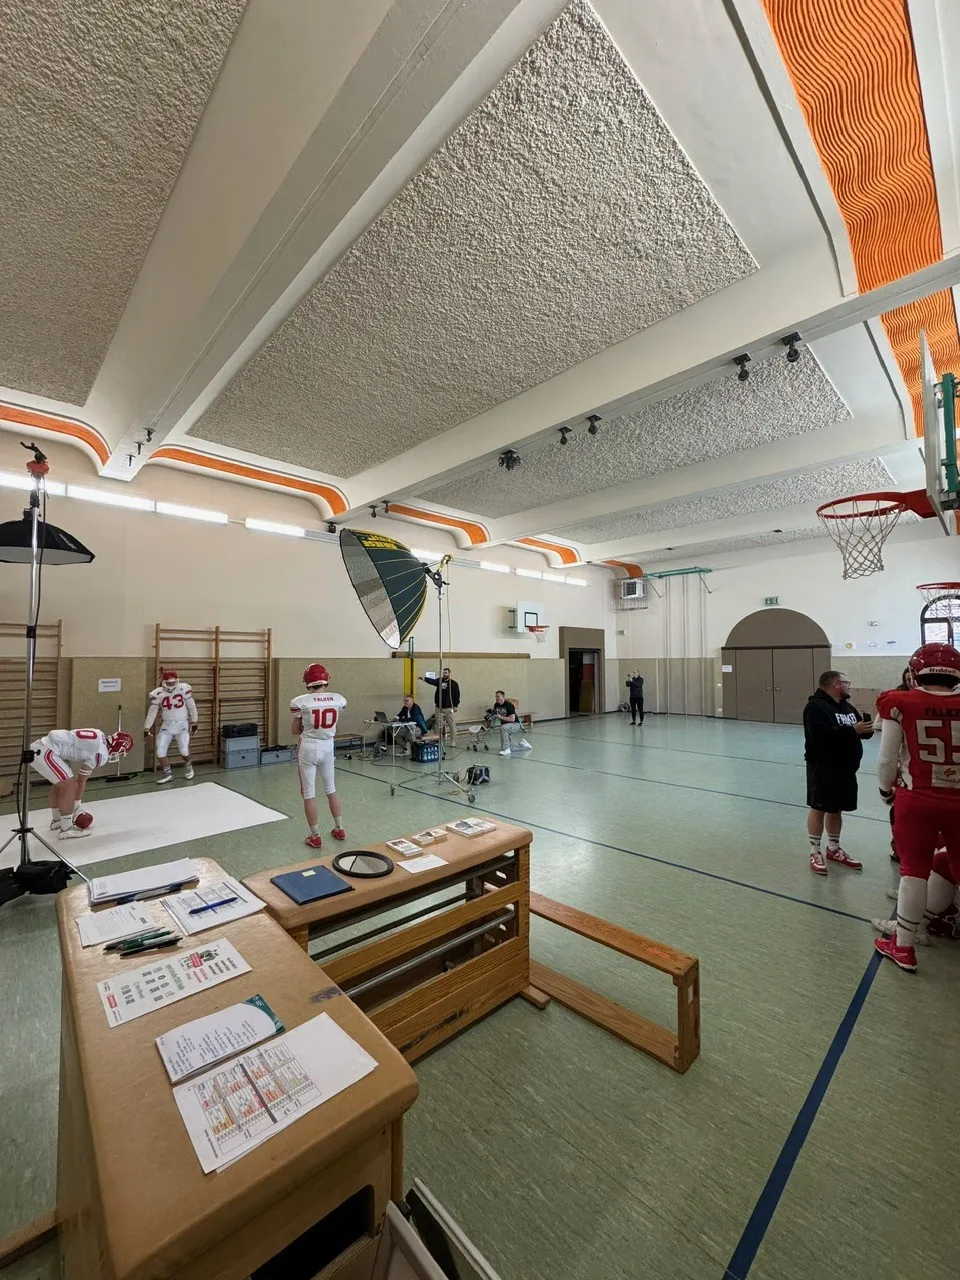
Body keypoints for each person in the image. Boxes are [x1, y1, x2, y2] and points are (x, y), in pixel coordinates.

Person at [873, 642, 960, 972]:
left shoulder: (899, 702)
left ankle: (905, 947)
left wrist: (886, 792)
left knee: (913, 871)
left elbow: (886, 759)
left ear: (914, 673)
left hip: (918, 796)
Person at [802, 670, 874, 875]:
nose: (849, 686)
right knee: (820, 807)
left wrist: (866, 730)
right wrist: (852, 731)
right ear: (835, 684)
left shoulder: (846, 706)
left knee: (837, 808)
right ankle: (815, 850)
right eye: (846, 682)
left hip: (846, 767)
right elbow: (820, 736)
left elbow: (858, 729)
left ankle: (833, 848)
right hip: (823, 766)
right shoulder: (815, 707)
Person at [30, 727, 134, 839]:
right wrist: (77, 805)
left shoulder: (99, 734)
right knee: (70, 785)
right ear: (118, 747)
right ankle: (66, 828)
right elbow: (81, 779)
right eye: (121, 751)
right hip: (46, 751)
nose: (117, 754)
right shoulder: (101, 753)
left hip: (42, 747)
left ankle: (57, 820)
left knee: (60, 784)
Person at [290, 663, 346, 849]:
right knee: (331, 789)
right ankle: (339, 828)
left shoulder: (301, 701)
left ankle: (315, 836)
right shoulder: (338, 699)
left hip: (308, 747)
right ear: (326, 679)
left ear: (307, 681)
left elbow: (294, 730)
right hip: (328, 746)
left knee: (309, 794)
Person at [144, 668, 198, 784]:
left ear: (177, 681)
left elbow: (192, 706)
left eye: (173, 682)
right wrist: (146, 727)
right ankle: (168, 774)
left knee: (184, 750)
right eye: (169, 683)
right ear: (163, 682)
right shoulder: (158, 693)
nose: (171, 685)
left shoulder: (183, 688)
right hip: (167, 725)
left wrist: (194, 722)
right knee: (160, 751)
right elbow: (152, 712)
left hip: (182, 723)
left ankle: (188, 765)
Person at [419, 667, 460, 748]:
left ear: (449, 673)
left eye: (446, 673)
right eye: (443, 673)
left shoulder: (454, 683)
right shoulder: (439, 681)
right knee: (438, 724)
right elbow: (433, 681)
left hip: (449, 708)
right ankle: (438, 740)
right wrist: (424, 678)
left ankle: (453, 741)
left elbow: (457, 695)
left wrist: (456, 706)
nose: (444, 674)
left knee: (452, 725)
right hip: (439, 708)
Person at [488, 690, 532, 756]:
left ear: (503, 697)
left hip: (515, 725)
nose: (496, 698)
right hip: (506, 726)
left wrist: (499, 716)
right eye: (496, 696)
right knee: (510, 747)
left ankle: (506, 750)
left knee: (503, 728)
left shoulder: (509, 705)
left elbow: (512, 719)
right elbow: (496, 715)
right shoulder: (496, 705)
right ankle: (524, 745)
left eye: (498, 696)